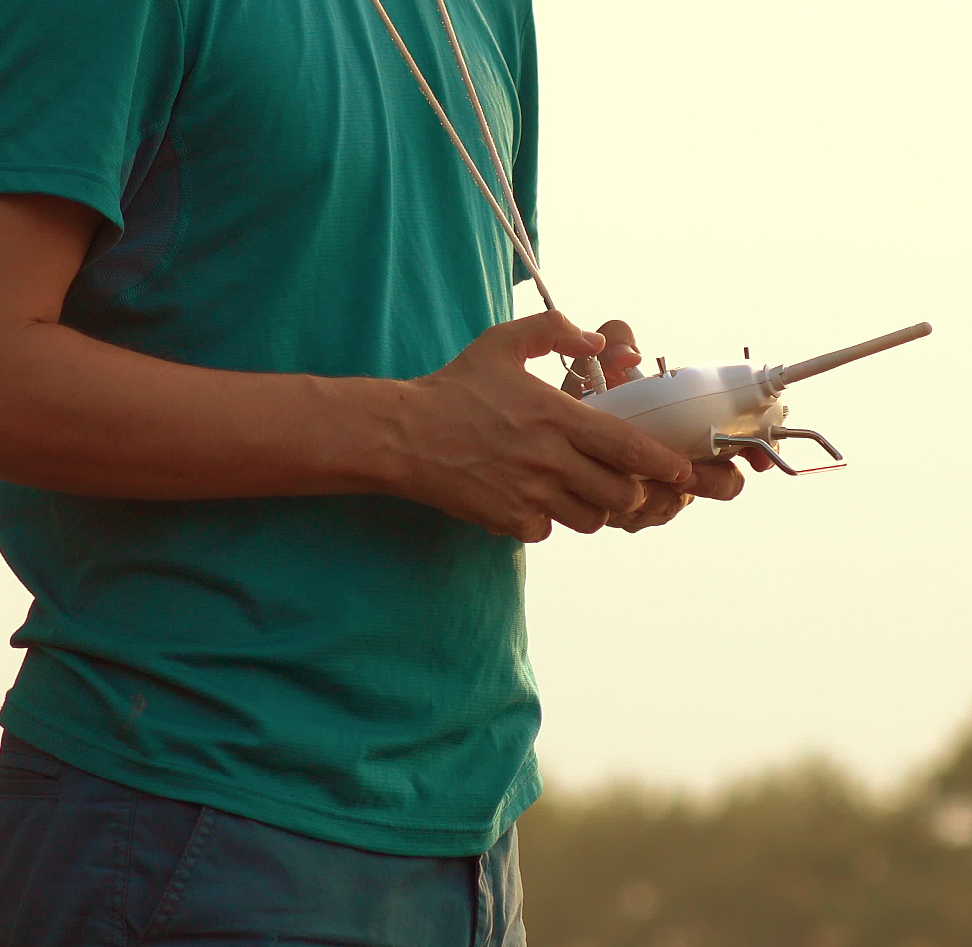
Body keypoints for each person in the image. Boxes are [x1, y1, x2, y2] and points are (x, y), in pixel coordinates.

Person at [0, 0, 764, 944]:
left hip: (476, 838)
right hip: (186, 808)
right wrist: (406, 433)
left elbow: (408, 353)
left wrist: (582, 432)